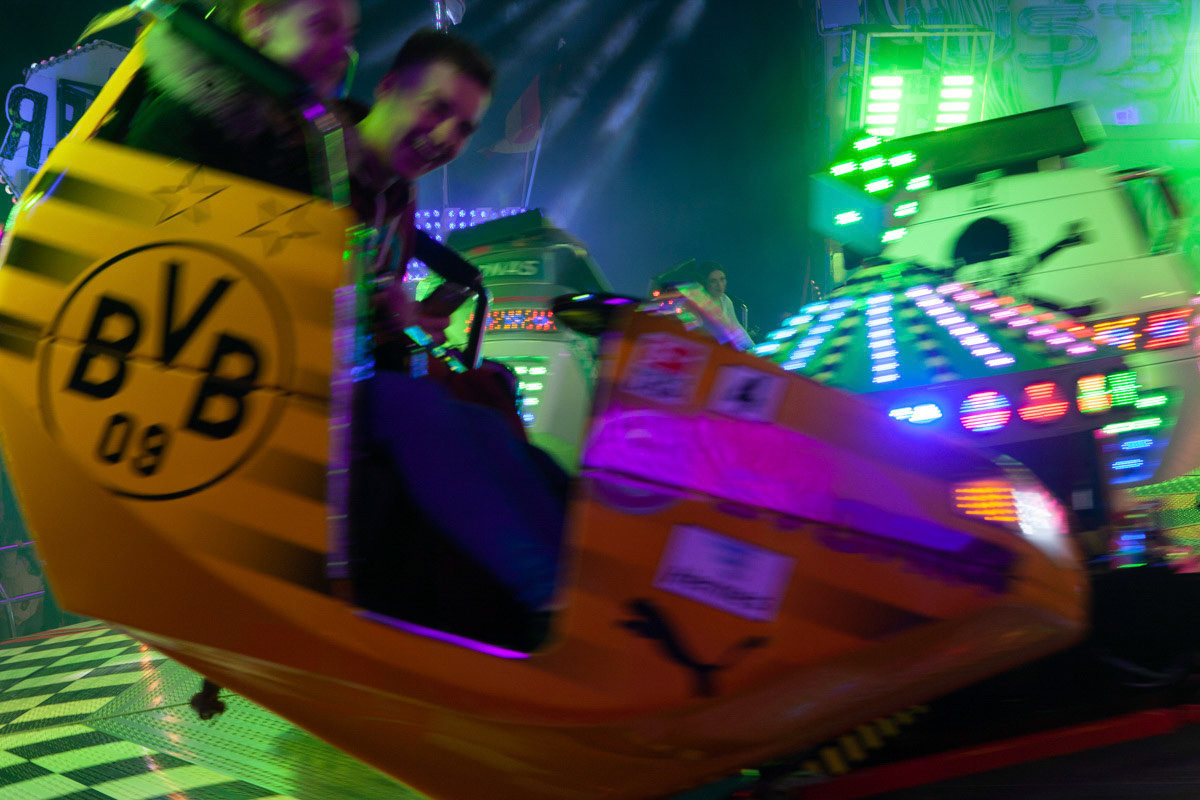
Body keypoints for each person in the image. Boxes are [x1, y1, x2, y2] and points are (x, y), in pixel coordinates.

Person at [347, 32, 567, 626]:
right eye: (436, 108)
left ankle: (576, 576)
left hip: (356, 366)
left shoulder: (397, 192)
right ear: (388, 88)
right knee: (414, 405)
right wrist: (381, 311)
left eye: (464, 127)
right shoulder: (320, 162)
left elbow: (373, 303)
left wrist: (407, 321)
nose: (446, 136)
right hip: (305, 372)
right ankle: (541, 595)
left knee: (485, 408)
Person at [92, 0, 360, 194]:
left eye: (349, 35)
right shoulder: (179, 128)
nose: (344, 50)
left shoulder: (304, 138)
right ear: (259, 22)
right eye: (324, 26)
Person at [699, 261, 750, 339]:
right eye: (713, 281)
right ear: (704, 283)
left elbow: (737, 329)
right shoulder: (698, 305)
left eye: (722, 279)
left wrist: (752, 345)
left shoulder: (725, 300)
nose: (719, 285)